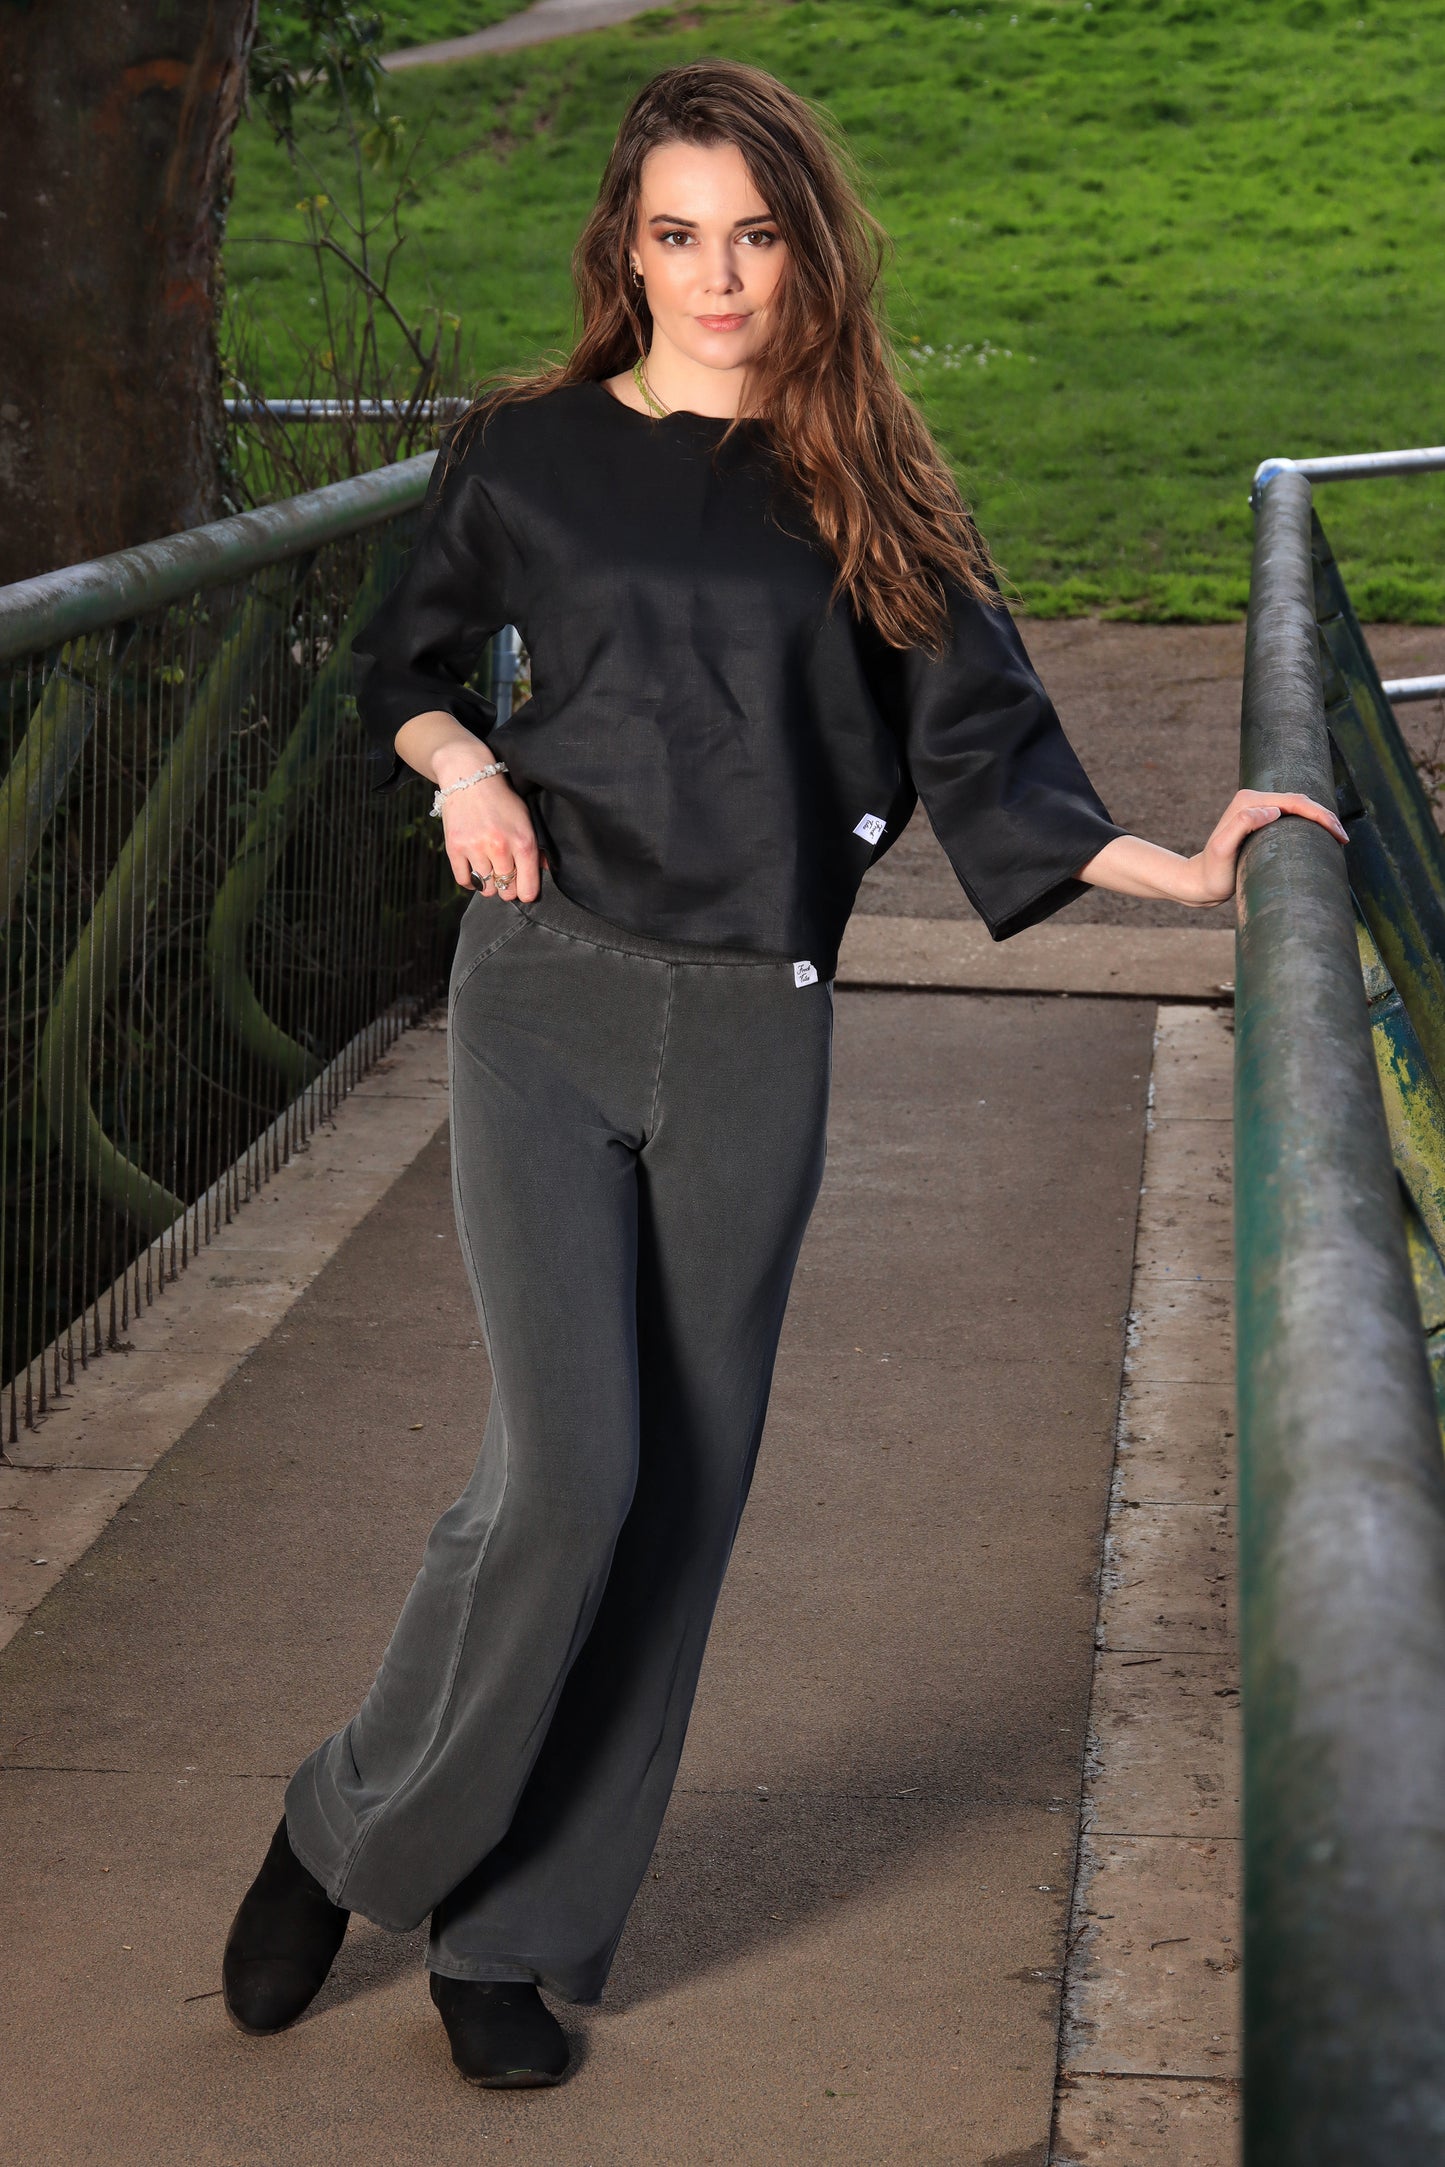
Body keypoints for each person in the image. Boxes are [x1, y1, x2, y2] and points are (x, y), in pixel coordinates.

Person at [220, 59, 1343, 2089]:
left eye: (755, 233)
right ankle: (351, 1824)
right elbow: (411, 664)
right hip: (546, 994)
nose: (720, 275)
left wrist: (1186, 866)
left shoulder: (870, 483)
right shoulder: (530, 458)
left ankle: (518, 1935)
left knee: (685, 1493)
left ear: (806, 245)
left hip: (755, 1026)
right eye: (678, 234)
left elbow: (984, 747)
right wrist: (467, 759)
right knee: (567, 1471)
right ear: (622, 247)